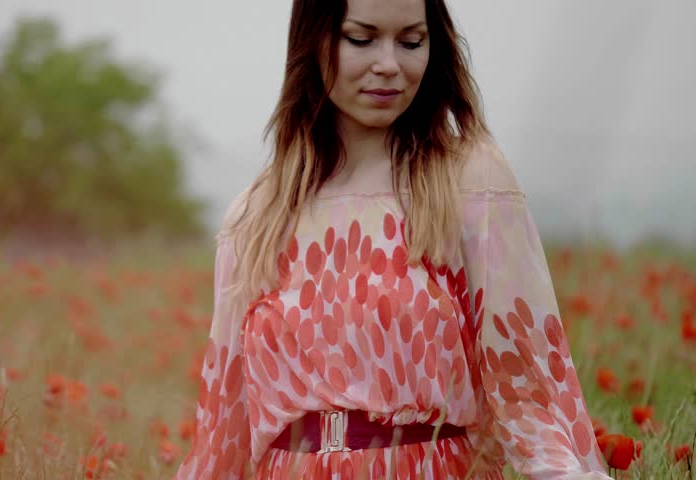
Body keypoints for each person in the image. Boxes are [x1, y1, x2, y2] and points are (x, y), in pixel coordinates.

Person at [172, 0, 614, 478]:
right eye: (361, 39)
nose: (390, 65)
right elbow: (224, 434)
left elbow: (530, 388)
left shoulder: (469, 179)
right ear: (312, 40)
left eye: (411, 42)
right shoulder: (258, 213)